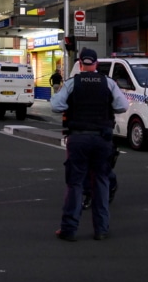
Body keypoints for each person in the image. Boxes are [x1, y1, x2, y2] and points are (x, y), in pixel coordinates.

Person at [51, 47, 128, 242]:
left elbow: (56, 106)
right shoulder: (108, 83)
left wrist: (72, 103)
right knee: (101, 182)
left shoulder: (72, 83)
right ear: (96, 64)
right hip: (102, 139)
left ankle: (69, 230)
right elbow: (122, 106)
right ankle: (101, 230)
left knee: (75, 183)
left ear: (80, 63)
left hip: (78, 138)